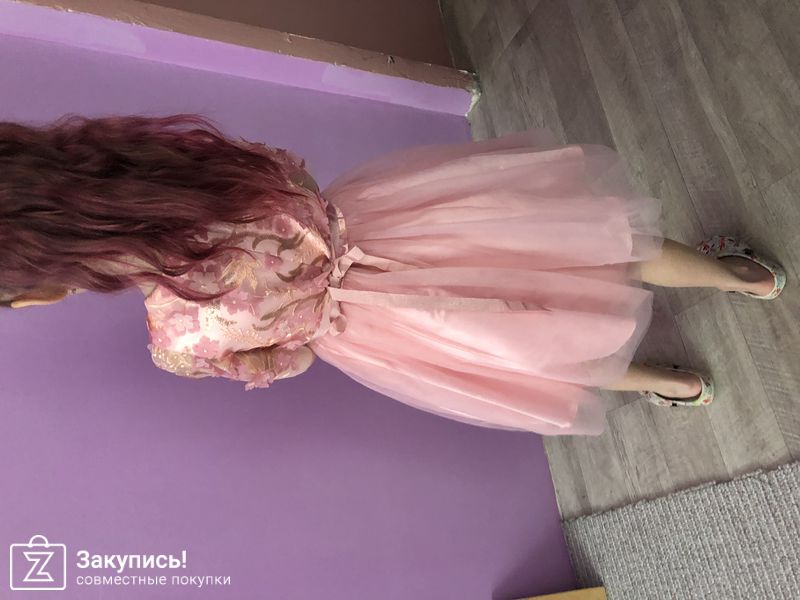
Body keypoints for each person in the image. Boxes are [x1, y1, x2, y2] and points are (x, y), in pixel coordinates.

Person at [0, 113, 786, 435]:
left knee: (532, 348)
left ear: (42, 282)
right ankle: (745, 278)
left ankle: (680, 385)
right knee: (587, 245)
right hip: (398, 220)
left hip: (385, 331)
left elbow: (288, 360)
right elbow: (288, 169)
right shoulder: (177, 172)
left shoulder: (178, 340)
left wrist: (305, 313)